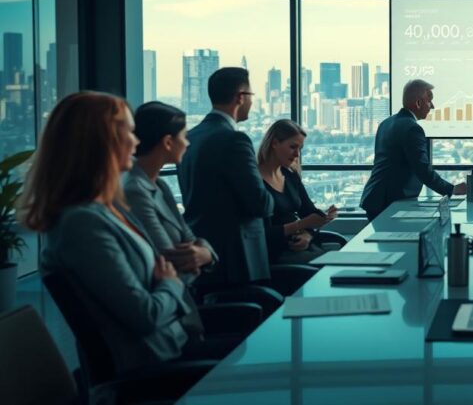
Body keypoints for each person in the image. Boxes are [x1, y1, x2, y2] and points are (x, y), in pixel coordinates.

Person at [20, 92, 223, 373]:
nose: (137, 141)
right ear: (99, 142)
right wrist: (171, 283)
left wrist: (175, 273)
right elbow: (145, 315)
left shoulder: (105, 211)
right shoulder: (83, 224)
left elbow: (171, 265)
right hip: (155, 366)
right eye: (129, 132)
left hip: (172, 347)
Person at [178, 67, 273, 290]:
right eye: (251, 96)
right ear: (240, 97)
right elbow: (261, 204)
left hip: (204, 249)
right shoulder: (234, 140)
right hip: (238, 255)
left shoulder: (190, 136)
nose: (252, 103)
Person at [124, 101, 217, 285]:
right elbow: (168, 260)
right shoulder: (135, 191)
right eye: (184, 136)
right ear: (167, 142)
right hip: (173, 300)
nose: (187, 143)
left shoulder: (160, 185)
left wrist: (206, 254)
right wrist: (201, 259)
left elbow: (191, 238)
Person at [360, 79, 473, 221]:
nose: (432, 106)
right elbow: (423, 170)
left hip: (376, 198)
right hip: (389, 202)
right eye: (429, 101)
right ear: (418, 103)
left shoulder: (386, 123)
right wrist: (453, 190)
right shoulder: (412, 128)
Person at [257, 119, 338, 264]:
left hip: (301, 247)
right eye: (293, 147)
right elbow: (261, 234)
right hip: (277, 254)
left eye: (300, 149)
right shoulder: (254, 182)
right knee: (334, 264)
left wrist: (308, 234)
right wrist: (301, 225)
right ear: (274, 143)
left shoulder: (290, 176)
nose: (297, 155)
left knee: (341, 254)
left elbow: (309, 213)